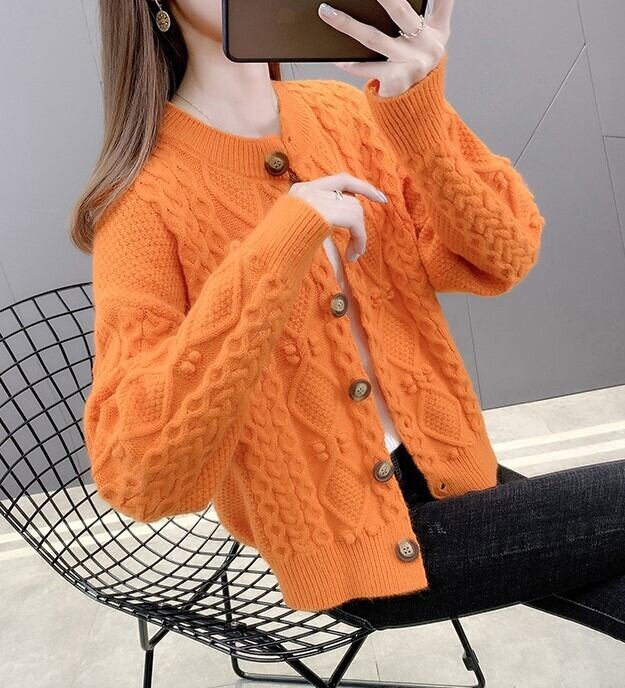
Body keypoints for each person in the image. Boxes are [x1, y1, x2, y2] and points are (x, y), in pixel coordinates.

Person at [71, 0, 625, 645]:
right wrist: (277, 246)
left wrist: (419, 114)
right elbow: (137, 472)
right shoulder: (141, 204)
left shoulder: (346, 114)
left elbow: (505, 253)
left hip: (456, 475)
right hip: (351, 542)